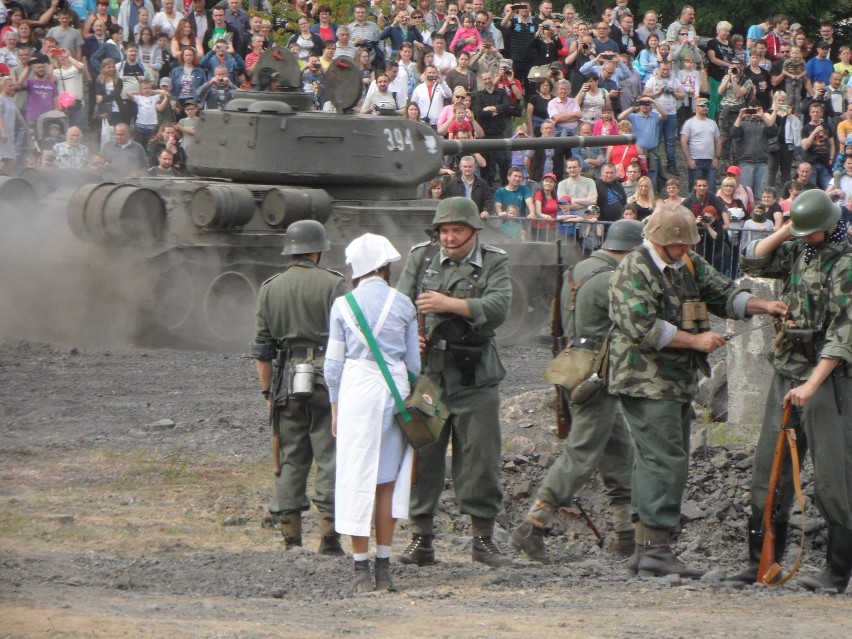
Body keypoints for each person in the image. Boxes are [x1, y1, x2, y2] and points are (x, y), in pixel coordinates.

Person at [607, 203, 787, 578]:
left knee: (655, 457)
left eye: (690, 244)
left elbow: (723, 292)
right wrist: (696, 341)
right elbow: (641, 326)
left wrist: (763, 306)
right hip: (644, 380)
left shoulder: (686, 265)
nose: (688, 250)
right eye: (680, 245)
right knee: (665, 458)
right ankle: (656, 547)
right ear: (659, 241)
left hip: (674, 381)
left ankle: (646, 548)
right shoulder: (633, 269)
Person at [733, 189, 851, 594]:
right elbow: (753, 259)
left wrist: (813, 384)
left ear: (828, 226)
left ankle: (837, 573)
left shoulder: (846, 261)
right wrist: (787, 230)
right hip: (789, 368)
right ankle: (760, 562)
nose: (803, 238)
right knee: (770, 467)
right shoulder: (803, 249)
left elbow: (843, 333)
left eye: (809, 232)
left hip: (828, 378)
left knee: (836, 476)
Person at [510, 219, 644, 563]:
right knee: (582, 453)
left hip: (576, 362)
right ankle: (534, 523)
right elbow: (635, 324)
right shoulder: (614, 278)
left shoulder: (579, 270)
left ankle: (625, 533)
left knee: (618, 451)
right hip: (598, 371)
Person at [396, 197, 513, 568]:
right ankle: (421, 538)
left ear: (473, 232)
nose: (448, 237)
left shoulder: (494, 260)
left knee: (480, 459)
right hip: (430, 375)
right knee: (423, 457)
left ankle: (483, 539)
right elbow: (399, 307)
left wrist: (450, 304)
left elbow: (498, 307)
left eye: (456, 230)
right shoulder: (421, 258)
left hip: (475, 375)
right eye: (443, 230)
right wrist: (405, 337)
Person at [325, 233, 420, 593]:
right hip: (394, 393)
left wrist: (335, 406)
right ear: (384, 266)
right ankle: (384, 566)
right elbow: (413, 363)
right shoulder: (405, 304)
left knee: (354, 478)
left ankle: (361, 569)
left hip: (356, 394)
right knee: (385, 484)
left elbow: (333, 365)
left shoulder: (342, 305)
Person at [252, 219, 347, 557]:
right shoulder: (335, 285)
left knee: (289, 458)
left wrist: (267, 394)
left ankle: (291, 538)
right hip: (329, 378)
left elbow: (262, 350)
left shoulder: (269, 288)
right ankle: (330, 537)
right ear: (318, 250)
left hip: (284, 381)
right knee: (332, 456)